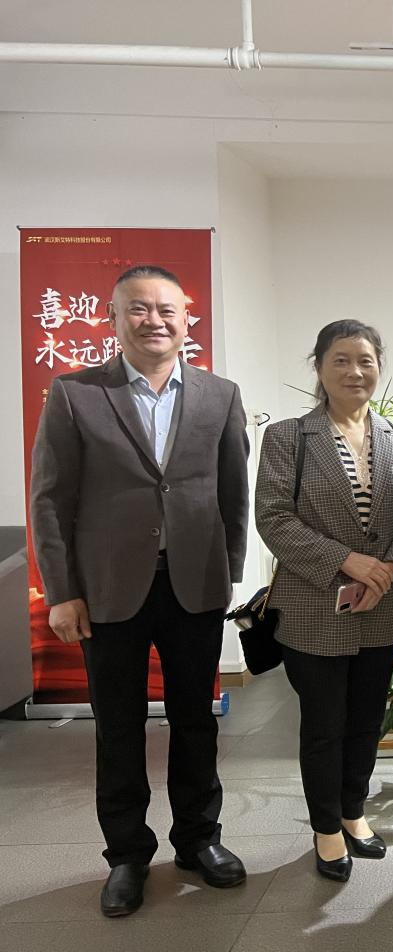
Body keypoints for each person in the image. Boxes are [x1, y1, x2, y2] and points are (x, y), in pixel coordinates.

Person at [29, 265, 251, 916]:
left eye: (166, 310)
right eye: (138, 309)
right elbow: (50, 501)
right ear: (114, 317)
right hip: (106, 591)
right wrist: (62, 591)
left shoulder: (219, 395)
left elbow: (232, 492)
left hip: (194, 585)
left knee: (196, 721)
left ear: (186, 320)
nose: (154, 320)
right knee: (118, 726)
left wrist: (228, 573)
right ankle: (126, 855)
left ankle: (199, 840)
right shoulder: (75, 394)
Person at [255, 320, 393, 883]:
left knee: (365, 720)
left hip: (382, 606)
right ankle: (326, 827)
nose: (355, 371)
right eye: (341, 360)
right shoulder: (289, 437)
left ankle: (354, 811)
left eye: (365, 360)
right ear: (319, 367)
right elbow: (273, 518)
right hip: (314, 606)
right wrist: (347, 561)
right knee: (324, 723)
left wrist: (389, 569)